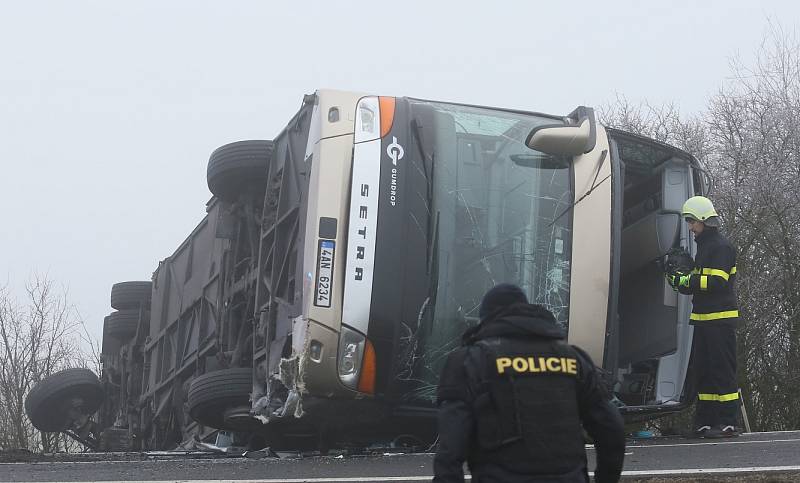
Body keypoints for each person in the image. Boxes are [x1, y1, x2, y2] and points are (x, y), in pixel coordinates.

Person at [433, 283, 625, 483]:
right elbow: (611, 430)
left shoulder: (469, 361)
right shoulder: (574, 359)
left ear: (486, 318)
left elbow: (450, 451)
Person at [666, 195, 739, 438]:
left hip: (720, 320)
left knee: (722, 371)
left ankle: (728, 423)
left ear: (703, 220)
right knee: (704, 371)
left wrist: (689, 280)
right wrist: (678, 281)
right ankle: (705, 423)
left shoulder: (721, 247)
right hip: (704, 319)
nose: (689, 226)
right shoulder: (705, 247)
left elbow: (718, 281)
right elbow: (696, 284)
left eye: (691, 221)